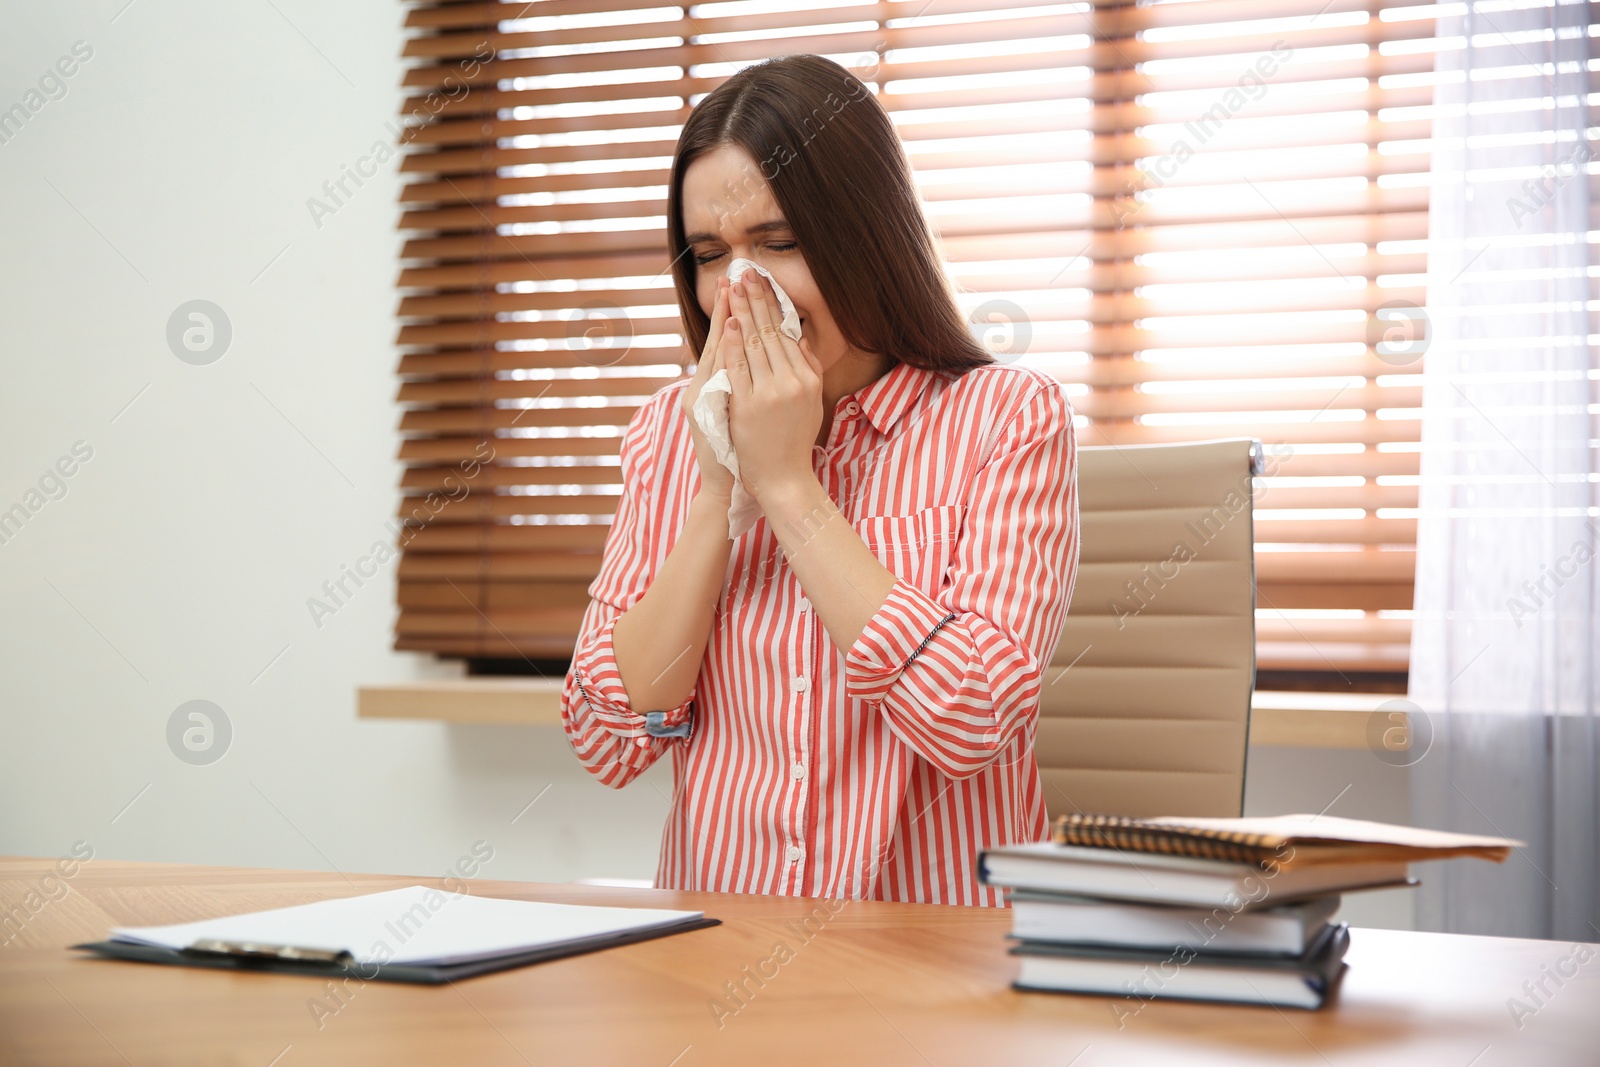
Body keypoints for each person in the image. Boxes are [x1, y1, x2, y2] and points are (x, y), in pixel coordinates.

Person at [560, 54, 1078, 906]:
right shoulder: (667, 430)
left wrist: (789, 486)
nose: (742, 290)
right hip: (715, 959)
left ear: (865, 235)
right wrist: (720, 485)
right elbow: (609, 741)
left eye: (780, 243)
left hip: (938, 970)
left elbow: (975, 718)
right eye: (709, 254)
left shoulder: (1006, 417)